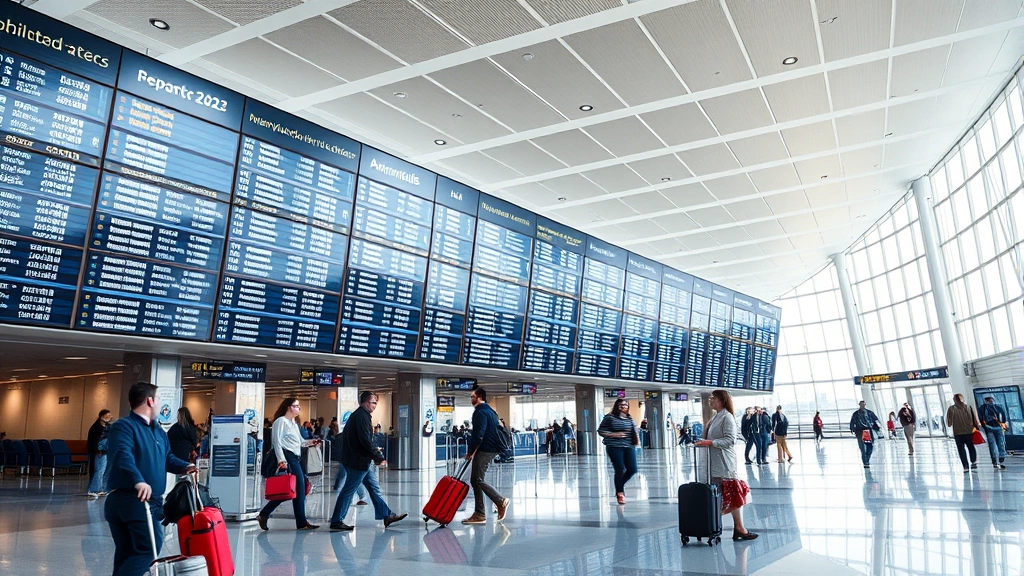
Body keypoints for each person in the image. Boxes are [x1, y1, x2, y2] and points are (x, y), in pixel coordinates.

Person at [104, 382, 196, 576]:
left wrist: (185, 466)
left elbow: (167, 458)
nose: (161, 403)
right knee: (148, 550)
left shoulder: (158, 431)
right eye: (159, 399)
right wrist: (138, 480)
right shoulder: (124, 427)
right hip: (132, 499)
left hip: (147, 502)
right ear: (150, 400)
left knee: (128, 552)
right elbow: (123, 455)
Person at [330, 392, 406, 531]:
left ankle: (387, 515)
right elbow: (365, 440)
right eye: (373, 402)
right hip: (358, 461)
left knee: (374, 488)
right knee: (349, 490)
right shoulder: (361, 417)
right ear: (365, 403)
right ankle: (336, 520)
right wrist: (378, 456)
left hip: (362, 460)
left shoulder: (361, 416)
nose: (375, 405)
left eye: (376, 403)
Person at [695, 390, 758, 541]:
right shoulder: (716, 417)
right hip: (715, 463)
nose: (711, 401)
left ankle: (738, 528)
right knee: (722, 495)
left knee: (732, 494)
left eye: (714, 398)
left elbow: (730, 440)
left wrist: (710, 442)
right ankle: (736, 528)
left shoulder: (727, 417)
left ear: (722, 400)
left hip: (724, 463)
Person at [257, 398, 320, 531]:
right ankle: (300, 522)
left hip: (296, 458)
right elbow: (277, 442)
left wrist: (311, 442)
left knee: (296, 490)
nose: (298, 408)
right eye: (296, 406)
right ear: (288, 407)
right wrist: (282, 460)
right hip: (288, 457)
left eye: (298, 406)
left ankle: (266, 514)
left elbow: (300, 442)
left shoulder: (294, 423)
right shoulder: (281, 422)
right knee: (297, 488)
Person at [460, 388, 510, 524]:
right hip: (491, 447)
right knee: (475, 480)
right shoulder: (490, 411)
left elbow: (479, 434)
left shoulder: (480, 411)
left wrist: (471, 451)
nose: (471, 399)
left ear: (480, 397)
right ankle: (479, 513)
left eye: (473, 397)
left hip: (486, 448)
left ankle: (500, 501)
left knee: (478, 479)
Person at [598, 398, 639, 505]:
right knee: (619, 469)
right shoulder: (610, 417)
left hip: (629, 446)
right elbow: (601, 431)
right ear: (616, 405)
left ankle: (619, 484)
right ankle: (620, 493)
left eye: (625, 405)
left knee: (632, 469)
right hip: (614, 446)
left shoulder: (629, 418)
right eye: (621, 405)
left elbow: (634, 430)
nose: (623, 406)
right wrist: (614, 434)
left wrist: (637, 441)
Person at [946, 394, 982, 473]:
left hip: (958, 432)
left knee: (961, 449)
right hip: (969, 431)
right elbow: (973, 420)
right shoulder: (968, 407)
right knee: (971, 446)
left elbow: (949, 423)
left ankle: (965, 466)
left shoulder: (951, 409)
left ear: (954, 400)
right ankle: (973, 462)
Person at [87, 409, 113, 498]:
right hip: (99, 451)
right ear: (101, 417)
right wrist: (97, 450)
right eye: (106, 416)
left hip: (106, 451)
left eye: (109, 416)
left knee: (104, 471)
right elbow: (94, 441)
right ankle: (93, 489)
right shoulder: (96, 427)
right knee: (99, 470)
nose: (109, 417)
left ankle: (101, 488)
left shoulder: (107, 427)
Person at [978, 396, 1008, 469]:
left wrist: (984, 426)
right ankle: (1001, 458)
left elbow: (981, 418)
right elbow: (1003, 417)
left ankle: (995, 461)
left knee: (993, 445)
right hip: (997, 427)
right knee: (1000, 443)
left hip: (989, 427)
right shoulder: (998, 407)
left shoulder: (982, 408)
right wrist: (1002, 423)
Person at [849, 400, 881, 469]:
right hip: (860, 431)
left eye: (863, 405)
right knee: (862, 448)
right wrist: (852, 429)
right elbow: (852, 422)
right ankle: (865, 461)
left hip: (867, 431)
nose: (862, 406)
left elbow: (875, 419)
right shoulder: (856, 414)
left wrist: (877, 426)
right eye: (861, 405)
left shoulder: (869, 413)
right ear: (859, 405)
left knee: (869, 446)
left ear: (865, 405)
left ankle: (867, 458)